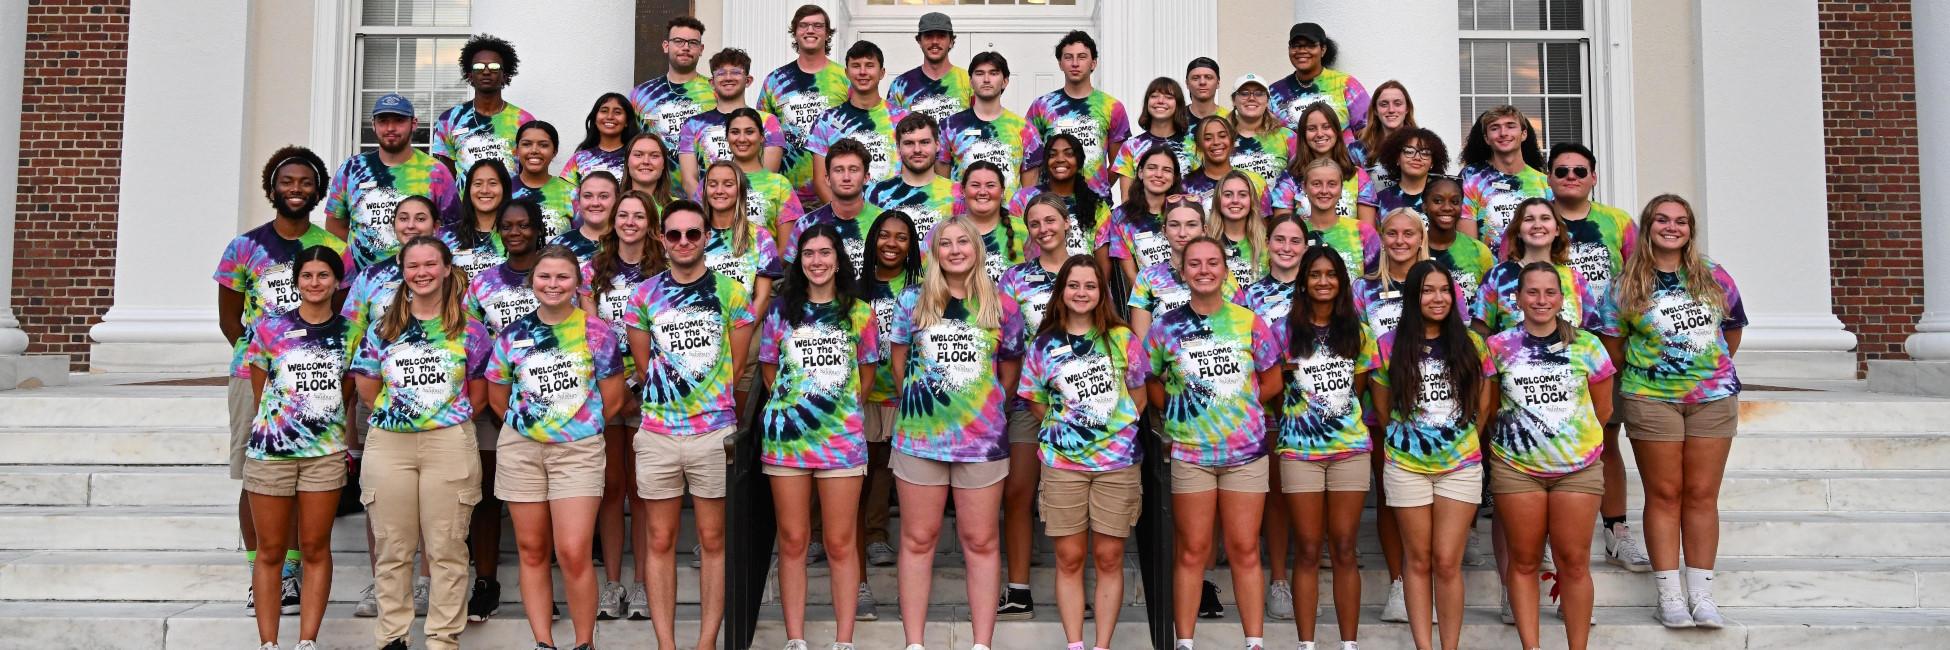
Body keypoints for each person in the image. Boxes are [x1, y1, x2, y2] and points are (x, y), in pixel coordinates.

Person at [1597, 194, 1747, 629]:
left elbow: (1731, 331)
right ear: (1648, 227)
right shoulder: (1625, 283)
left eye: (1680, 221)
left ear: (1690, 229)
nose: (1671, 227)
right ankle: (1669, 596)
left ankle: (1701, 595)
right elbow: (1614, 347)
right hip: (1650, 399)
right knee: (1664, 495)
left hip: (1712, 399)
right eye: (1662, 219)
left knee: (1701, 496)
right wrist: (1656, 376)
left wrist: (1705, 373)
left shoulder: (1714, 276)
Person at [216, 146, 348, 616]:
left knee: (306, 480)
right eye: (287, 181)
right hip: (255, 375)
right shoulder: (244, 248)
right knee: (256, 481)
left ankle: (291, 573)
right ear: (272, 187)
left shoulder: (332, 249)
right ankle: (262, 573)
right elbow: (230, 320)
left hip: (317, 381)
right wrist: (266, 364)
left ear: (318, 190)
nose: (296, 189)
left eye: (305, 182)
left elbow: (341, 315)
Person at [888, 216, 1025, 650]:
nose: (954, 250)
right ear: (934, 251)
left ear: (977, 248)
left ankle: (981, 644)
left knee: (981, 541)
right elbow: (898, 366)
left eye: (962, 241)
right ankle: (915, 643)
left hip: (982, 444)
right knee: (917, 539)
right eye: (944, 243)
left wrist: (977, 412)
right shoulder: (912, 300)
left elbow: (1009, 375)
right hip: (920, 440)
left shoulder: (1004, 305)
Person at [624, 200, 755, 650]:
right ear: (662, 239)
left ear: (706, 238)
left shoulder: (732, 293)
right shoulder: (643, 296)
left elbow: (737, 366)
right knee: (659, 538)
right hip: (659, 433)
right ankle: (666, 644)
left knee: (713, 539)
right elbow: (644, 367)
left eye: (692, 234)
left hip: (714, 433)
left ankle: (705, 642)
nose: (683, 242)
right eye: (674, 234)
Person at [350, 236, 492, 650]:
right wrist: (407, 413)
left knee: (447, 547)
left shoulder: (470, 330)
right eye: (414, 266)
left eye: (431, 264)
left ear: (447, 268)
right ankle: (392, 637)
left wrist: (440, 416)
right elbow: (366, 387)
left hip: (448, 442)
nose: (423, 272)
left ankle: (442, 639)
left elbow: (479, 392)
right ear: (403, 271)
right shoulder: (384, 328)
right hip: (391, 444)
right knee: (394, 547)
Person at [486, 246, 625, 650]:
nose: (552, 284)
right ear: (532, 282)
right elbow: (498, 396)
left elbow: (612, 398)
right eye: (544, 277)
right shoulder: (513, 334)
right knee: (531, 549)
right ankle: (543, 642)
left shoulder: (595, 332)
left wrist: (575, 427)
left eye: (562, 277)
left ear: (576, 283)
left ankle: (584, 643)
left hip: (577, 450)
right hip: (522, 449)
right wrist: (531, 427)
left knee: (574, 550)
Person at [1146, 236, 1281, 650]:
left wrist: (1233, 408)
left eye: (1213, 263)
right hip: (1192, 453)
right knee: (1192, 550)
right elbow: (1150, 380)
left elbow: (1272, 378)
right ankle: (1184, 642)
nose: (1204, 270)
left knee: (1243, 549)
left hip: (1245, 455)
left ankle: (1254, 642)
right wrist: (1181, 408)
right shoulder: (1165, 327)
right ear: (1183, 272)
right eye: (1195, 264)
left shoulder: (1248, 321)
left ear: (1225, 270)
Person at [1018, 254, 1148, 650]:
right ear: (1062, 291)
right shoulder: (1044, 344)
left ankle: (1102, 645)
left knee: (1109, 558)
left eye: (1090, 286)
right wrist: (1070, 429)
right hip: (1063, 465)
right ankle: (1075, 643)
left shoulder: (1123, 339)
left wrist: (1108, 432)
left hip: (1117, 465)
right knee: (1070, 558)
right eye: (1073, 285)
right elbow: (1036, 401)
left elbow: (1139, 397)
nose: (1081, 292)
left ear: (1101, 292)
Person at [760, 224, 880, 650]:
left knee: (840, 542)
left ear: (838, 259)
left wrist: (834, 410)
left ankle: (843, 640)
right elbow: (770, 370)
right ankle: (796, 639)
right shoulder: (780, 311)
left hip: (841, 442)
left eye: (824, 253)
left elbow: (866, 376)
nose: (816, 261)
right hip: (787, 441)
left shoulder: (861, 313)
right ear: (799, 261)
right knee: (793, 541)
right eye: (808, 253)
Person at [1486, 262, 1615, 650]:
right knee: (1523, 561)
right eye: (1532, 292)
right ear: (1518, 298)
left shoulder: (1588, 345)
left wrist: (1569, 442)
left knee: (1573, 563)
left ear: (1561, 298)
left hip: (1577, 469)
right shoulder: (1498, 346)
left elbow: (1603, 410)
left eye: (1549, 293)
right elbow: (1490, 410)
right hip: (1517, 469)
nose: (1541, 300)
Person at [1370, 260, 1494, 650]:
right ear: (1413, 297)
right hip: (1407, 466)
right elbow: (1384, 408)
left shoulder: (1472, 343)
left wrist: (1466, 436)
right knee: (1418, 561)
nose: (1437, 298)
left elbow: (1485, 399)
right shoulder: (1389, 344)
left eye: (1444, 290)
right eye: (1427, 290)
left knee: (1446, 561)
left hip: (1460, 466)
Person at [339, 197, 444, 618]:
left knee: (434, 498)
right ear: (393, 225)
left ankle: (425, 580)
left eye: (421, 217)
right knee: (380, 497)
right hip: (380, 400)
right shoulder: (370, 278)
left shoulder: (449, 276)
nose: (412, 224)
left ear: (437, 224)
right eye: (404, 218)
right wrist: (355, 412)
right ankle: (383, 580)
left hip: (439, 403)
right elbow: (352, 338)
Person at [1546, 142, 1648, 573]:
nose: (1571, 177)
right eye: (1562, 171)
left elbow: (1638, 280)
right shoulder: (1538, 218)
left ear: (1593, 177)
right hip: (1551, 354)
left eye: (1579, 171)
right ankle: (1548, 539)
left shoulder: (1617, 222)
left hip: (1604, 346)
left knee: (1606, 438)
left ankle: (1616, 531)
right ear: (1549, 176)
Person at [243, 246, 350, 650]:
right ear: (297, 281)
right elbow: (260, 388)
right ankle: (268, 642)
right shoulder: (270, 328)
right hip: (272, 453)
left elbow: (349, 390)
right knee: (270, 550)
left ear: (337, 282)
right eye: (307, 275)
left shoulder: (350, 331)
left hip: (324, 454)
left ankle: (308, 640)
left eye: (324, 275)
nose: (315, 283)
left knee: (315, 547)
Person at [1276, 244, 1379, 650]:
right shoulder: (1283, 332)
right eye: (1315, 274)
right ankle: (1307, 644)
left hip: (1349, 449)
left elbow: (1359, 392)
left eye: (1331, 274)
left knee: (1344, 547)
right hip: (1299, 452)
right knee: (1305, 548)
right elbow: (1273, 388)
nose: (1323, 281)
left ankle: (1348, 644)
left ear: (1341, 282)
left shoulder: (1359, 333)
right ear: (1303, 282)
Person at [459, 199, 545, 623]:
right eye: (508, 226)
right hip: (492, 400)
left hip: (547, 403)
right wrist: (490, 399)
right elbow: (469, 337)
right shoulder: (482, 283)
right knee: (487, 497)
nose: (515, 232)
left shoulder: (552, 275)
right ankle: (486, 582)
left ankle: (547, 587)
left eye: (524, 226)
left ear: (537, 229)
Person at [582, 191, 665, 622]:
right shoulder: (593, 271)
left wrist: (641, 379)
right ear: (612, 221)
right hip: (606, 389)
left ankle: (643, 584)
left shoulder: (665, 272)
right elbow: (591, 334)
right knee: (611, 489)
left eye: (638, 216)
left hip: (653, 389)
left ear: (651, 223)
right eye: (622, 215)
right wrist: (616, 386)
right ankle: (611, 584)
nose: (629, 222)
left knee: (645, 491)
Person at [994, 194, 1074, 620]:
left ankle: (1079, 585)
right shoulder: (1015, 278)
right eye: (1035, 223)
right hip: (1027, 398)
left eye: (1050, 220)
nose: (1043, 229)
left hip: (1081, 402)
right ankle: (1019, 589)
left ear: (1065, 223)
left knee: (1076, 496)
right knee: (1019, 491)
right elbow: (1005, 339)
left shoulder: (1084, 272)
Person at [853, 209, 924, 621]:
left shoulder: (920, 289)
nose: (892, 243)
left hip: (904, 396)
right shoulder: (856, 289)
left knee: (888, 467)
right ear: (873, 241)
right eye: (884, 235)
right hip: (862, 394)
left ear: (912, 245)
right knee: (861, 471)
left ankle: (879, 535)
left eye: (901, 237)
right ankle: (850, 560)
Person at [326, 93, 458, 272]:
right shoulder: (351, 169)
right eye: (383, 121)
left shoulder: (436, 172)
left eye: (399, 121)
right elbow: (335, 225)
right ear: (373, 125)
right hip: (363, 284)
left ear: (414, 124)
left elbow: (453, 229)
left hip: (419, 281)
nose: (390, 128)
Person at [760, 3, 851, 205]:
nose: (810, 30)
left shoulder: (845, 78)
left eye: (818, 26)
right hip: (785, 194)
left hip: (835, 191)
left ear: (827, 33)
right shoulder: (775, 80)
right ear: (795, 32)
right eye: (804, 25)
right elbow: (761, 134)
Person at [1027, 30, 1130, 198]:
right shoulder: (1042, 106)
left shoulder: (1112, 107)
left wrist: (1097, 186)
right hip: (1051, 201)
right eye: (1068, 57)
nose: (1075, 63)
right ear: (1060, 63)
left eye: (1082, 57)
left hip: (1095, 202)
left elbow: (1118, 163)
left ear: (1093, 63)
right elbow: (1031, 159)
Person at [1476, 198, 1599, 334]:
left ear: (1557, 229)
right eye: (1529, 219)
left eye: (1545, 218)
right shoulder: (1497, 276)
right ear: (1518, 231)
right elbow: (1480, 335)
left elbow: (1592, 336)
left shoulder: (1576, 280)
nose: (1537, 225)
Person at [679, 48, 788, 198]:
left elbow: (767, 177)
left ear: (748, 80)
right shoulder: (692, 125)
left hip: (754, 209)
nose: (728, 77)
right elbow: (688, 181)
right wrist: (711, 207)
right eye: (721, 73)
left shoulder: (768, 122)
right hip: (709, 210)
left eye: (736, 72)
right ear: (712, 83)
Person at [1129, 198, 1238, 338]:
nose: (1182, 233)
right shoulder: (1147, 278)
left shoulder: (1220, 273)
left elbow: (1237, 327)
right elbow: (1143, 342)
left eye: (1191, 225)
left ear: (1204, 230)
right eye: (1174, 225)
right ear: (1164, 231)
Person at [630, 15, 715, 192]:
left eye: (692, 42)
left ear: (701, 49)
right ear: (666, 46)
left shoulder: (716, 90)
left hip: (708, 195)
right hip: (656, 195)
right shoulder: (641, 95)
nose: (685, 47)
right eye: (678, 41)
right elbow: (630, 144)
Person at [810, 40, 901, 203]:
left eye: (869, 65)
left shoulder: (901, 119)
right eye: (856, 65)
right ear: (846, 72)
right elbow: (820, 180)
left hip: (893, 217)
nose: (863, 72)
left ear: (882, 73)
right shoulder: (827, 120)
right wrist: (845, 217)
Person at [432, 34, 534, 179]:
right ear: (470, 75)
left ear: (505, 75)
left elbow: (530, 171)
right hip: (464, 202)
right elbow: (446, 176)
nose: (486, 71)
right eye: (479, 67)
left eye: (494, 67)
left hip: (512, 201)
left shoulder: (524, 121)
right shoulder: (449, 120)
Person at [942, 51, 1040, 200]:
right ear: (970, 81)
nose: (986, 79)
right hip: (963, 219)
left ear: (1005, 81)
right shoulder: (949, 127)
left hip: (1009, 219)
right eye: (980, 73)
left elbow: (1029, 193)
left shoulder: (1025, 129)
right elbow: (942, 185)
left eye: (993, 73)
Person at [1460, 104, 1552, 253]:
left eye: (1510, 126)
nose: (1503, 133)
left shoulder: (1545, 183)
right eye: (1495, 128)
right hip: (1490, 273)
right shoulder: (1472, 180)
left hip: (1537, 271)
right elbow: (1468, 246)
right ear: (1486, 138)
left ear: (1524, 134)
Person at [700, 161, 784, 317]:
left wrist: (743, 334)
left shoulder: (760, 237)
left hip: (748, 323)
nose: (719, 190)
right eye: (712, 184)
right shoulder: (693, 235)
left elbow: (763, 297)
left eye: (728, 184)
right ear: (704, 190)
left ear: (740, 190)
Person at [1274, 104, 1378, 225]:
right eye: (1312, 128)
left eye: (1326, 127)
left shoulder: (1358, 176)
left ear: (1337, 131)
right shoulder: (1289, 179)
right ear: (1303, 135)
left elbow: (1368, 234)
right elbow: (1281, 230)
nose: (1320, 133)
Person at [1008, 133, 1107, 259]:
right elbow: (1010, 245)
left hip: (1082, 277)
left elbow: (1102, 262)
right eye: (1052, 155)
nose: (1060, 159)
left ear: (1080, 161)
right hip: (1034, 276)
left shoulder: (1096, 205)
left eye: (1069, 154)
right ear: (1045, 162)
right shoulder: (1023, 199)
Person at [791, 139, 883, 275]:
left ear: (866, 177)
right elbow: (796, 277)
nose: (846, 177)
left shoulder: (884, 222)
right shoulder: (806, 225)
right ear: (827, 178)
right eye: (839, 170)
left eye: (853, 170)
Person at [1268, 22, 1370, 145]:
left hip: (1343, 161)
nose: (1302, 51)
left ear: (1323, 49)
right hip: (1298, 163)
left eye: (1310, 45)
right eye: (1296, 46)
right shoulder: (1274, 92)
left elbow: (1367, 129)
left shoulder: (1346, 84)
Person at [866, 113, 958, 243]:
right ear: (898, 148)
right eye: (909, 143)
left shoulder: (958, 194)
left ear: (937, 145)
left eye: (924, 142)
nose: (917, 150)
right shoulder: (876, 193)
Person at [1102, 145, 1186, 286]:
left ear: (1174, 177)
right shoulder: (1121, 217)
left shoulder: (1187, 209)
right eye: (1152, 168)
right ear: (1140, 172)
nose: (1159, 174)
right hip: (1148, 296)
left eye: (1167, 170)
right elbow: (1131, 275)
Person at [1286, 158, 1381, 278]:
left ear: (1341, 188)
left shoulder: (1363, 231)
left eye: (1332, 184)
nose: (1324, 191)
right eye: (1316, 184)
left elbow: (1374, 283)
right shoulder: (1293, 233)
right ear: (1304, 187)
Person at [724, 107, 807, 244]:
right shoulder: (711, 182)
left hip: (769, 264)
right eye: (735, 132)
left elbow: (788, 248)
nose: (742, 139)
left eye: (749, 132)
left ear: (762, 137)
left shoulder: (780, 184)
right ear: (727, 137)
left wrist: (769, 265)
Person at [1424, 174, 1497, 322]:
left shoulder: (1479, 251)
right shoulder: (1414, 248)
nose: (1447, 207)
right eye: (1437, 201)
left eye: (1455, 202)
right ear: (1424, 205)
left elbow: (1488, 305)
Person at [887, 12, 972, 127]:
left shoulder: (970, 81)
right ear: (919, 41)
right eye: (928, 36)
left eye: (941, 36)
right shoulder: (900, 85)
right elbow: (892, 131)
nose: (935, 42)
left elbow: (980, 128)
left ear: (951, 41)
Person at [1111, 77, 1196, 184]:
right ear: (1147, 103)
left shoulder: (1194, 145)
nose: (1160, 101)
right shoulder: (1130, 147)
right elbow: (1127, 198)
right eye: (1154, 96)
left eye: (1168, 97)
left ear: (1178, 104)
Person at [957, 161, 1030, 282]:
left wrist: (1018, 282)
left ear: (1002, 192)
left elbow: (1041, 277)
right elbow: (928, 279)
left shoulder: (1023, 229)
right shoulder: (945, 231)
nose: (982, 192)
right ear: (963, 190)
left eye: (990, 185)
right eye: (975, 185)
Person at [1180, 117, 1268, 216]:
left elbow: (1263, 227)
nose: (1216, 142)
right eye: (1208, 138)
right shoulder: (1186, 186)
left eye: (1222, 136)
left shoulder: (1255, 181)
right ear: (1199, 145)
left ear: (1232, 140)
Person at [442, 160, 511, 279]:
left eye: (493, 183)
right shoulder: (445, 236)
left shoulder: (516, 236)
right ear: (468, 190)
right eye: (478, 184)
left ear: (504, 188)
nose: (484, 190)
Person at [510, 121, 577, 240]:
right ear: (517, 150)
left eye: (543, 145)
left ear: (554, 151)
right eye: (526, 144)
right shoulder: (502, 190)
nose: (534, 150)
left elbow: (581, 239)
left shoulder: (571, 192)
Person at [1228, 73, 1299, 181]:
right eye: (1244, 93)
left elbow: (1304, 177)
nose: (1251, 98)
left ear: (1267, 101)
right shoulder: (1223, 139)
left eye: (1259, 93)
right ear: (1234, 100)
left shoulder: (1287, 137)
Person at [564, 92, 641, 188]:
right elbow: (565, 195)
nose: (610, 117)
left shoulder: (637, 157)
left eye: (617, 112)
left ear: (627, 122)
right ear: (595, 119)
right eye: (604, 111)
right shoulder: (579, 158)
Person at [1206, 170, 1270, 285]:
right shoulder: (1206, 243)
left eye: (1242, 195)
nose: (1235, 200)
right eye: (1228, 195)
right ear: (1218, 200)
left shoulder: (1268, 243)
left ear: (1251, 200)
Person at [1352, 80, 1418, 185]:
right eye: (1384, 104)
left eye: (1397, 103)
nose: (1391, 109)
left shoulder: (1422, 146)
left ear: (1407, 109)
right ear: (1375, 110)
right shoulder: (1357, 150)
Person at [1373, 128, 1448, 217]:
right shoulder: (1380, 200)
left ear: (1432, 162)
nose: (1417, 157)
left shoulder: (1444, 198)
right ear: (1397, 158)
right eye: (1409, 151)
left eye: (1425, 153)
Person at [552, 172, 622, 262]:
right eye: (587, 196)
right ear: (579, 201)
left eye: (604, 196)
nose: (595, 203)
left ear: (618, 200)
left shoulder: (629, 242)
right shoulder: (559, 245)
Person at [623, 131, 682, 206]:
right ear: (627, 161)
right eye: (638, 155)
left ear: (663, 164)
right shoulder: (613, 205)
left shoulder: (678, 207)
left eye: (654, 156)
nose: (646, 161)